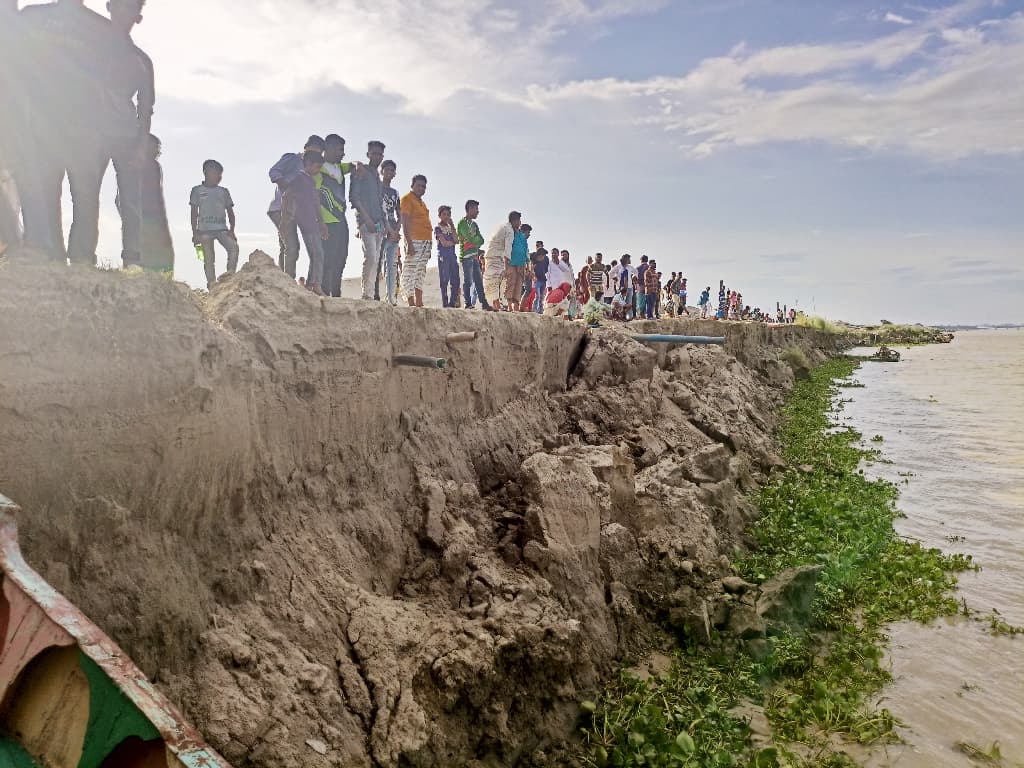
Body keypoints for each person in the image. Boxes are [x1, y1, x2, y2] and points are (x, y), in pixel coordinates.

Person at [20, 0, 120, 262]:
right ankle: (52, 256)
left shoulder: (102, 28)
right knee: (46, 192)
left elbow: (109, 81)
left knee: (85, 196)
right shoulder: (31, 17)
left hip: (85, 127)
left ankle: (82, 259)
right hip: (42, 124)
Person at [270, 135, 326, 277]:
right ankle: (287, 281)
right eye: (315, 150)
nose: (317, 154)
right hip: (281, 208)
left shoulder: (311, 169)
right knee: (291, 246)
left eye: (320, 153)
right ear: (307, 147)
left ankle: (285, 280)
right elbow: (274, 171)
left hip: (297, 211)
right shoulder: (293, 158)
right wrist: (288, 187)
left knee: (289, 247)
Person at [282, 150, 327, 294]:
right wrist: (286, 218)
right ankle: (314, 285)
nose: (318, 170)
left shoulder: (311, 181)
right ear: (308, 164)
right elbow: (287, 196)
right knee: (316, 252)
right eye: (317, 167)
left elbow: (315, 201)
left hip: (311, 220)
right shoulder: (298, 178)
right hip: (303, 220)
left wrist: (321, 222)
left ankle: (313, 284)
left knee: (317, 253)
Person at [190, 159, 239, 289]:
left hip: (222, 229)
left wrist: (232, 230)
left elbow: (230, 212)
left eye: (220, 174)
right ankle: (212, 284)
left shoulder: (224, 191)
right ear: (206, 173)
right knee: (208, 259)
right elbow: (194, 213)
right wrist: (194, 233)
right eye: (215, 173)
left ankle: (230, 276)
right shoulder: (197, 190)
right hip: (204, 231)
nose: (218, 177)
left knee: (233, 248)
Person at [348, 140, 386, 300]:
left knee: (376, 259)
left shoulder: (377, 176)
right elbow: (354, 198)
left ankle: (370, 293)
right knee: (370, 256)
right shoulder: (360, 171)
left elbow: (379, 201)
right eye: (374, 153)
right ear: (368, 154)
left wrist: (384, 224)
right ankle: (366, 293)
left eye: (380, 154)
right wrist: (367, 219)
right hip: (365, 222)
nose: (377, 157)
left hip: (379, 223)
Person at [318, 134, 354, 297]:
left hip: (341, 219)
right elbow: (314, 196)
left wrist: (357, 165)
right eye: (340, 150)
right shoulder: (319, 168)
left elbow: (352, 165)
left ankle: (336, 291)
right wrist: (319, 221)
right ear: (330, 148)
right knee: (328, 258)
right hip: (326, 221)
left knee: (341, 256)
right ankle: (324, 292)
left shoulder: (340, 167)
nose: (343, 154)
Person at [135, 134, 173, 273]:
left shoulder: (156, 167)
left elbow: (158, 193)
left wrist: (162, 218)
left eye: (158, 148)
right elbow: (121, 196)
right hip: (140, 213)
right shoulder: (135, 166)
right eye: (155, 148)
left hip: (155, 215)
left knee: (161, 249)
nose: (157, 152)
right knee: (143, 248)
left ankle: (160, 276)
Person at [400, 174, 433, 308]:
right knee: (409, 271)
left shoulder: (422, 203)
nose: (421, 188)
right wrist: (409, 243)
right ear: (412, 185)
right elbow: (405, 221)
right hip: (414, 240)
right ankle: (410, 301)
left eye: (424, 186)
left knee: (420, 272)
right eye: (419, 185)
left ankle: (419, 302)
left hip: (426, 242)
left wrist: (428, 248)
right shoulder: (407, 199)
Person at [457, 200, 491, 311]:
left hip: (475, 256)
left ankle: (484, 304)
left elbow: (481, 240)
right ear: (470, 209)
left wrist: (474, 240)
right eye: (476, 209)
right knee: (468, 280)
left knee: (478, 281)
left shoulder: (474, 225)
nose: (478, 211)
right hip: (466, 256)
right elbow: (471, 238)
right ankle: (467, 303)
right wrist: (473, 239)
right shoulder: (462, 223)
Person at [483, 211, 519, 311]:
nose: (520, 224)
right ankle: (498, 305)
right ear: (515, 221)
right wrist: (507, 265)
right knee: (498, 280)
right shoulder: (510, 230)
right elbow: (508, 249)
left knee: (493, 281)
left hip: (490, 255)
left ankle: (496, 304)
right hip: (497, 257)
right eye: (519, 221)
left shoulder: (502, 226)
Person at [380, 159, 401, 304]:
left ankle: (391, 296)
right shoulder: (376, 189)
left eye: (392, 170)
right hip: (381, 229)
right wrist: (388, 230)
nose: (389, 172)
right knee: (377, 263)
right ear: (382, 171)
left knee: (392, 265)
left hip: (394, 231)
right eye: (387, 169)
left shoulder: (395, 192)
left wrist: (396, 230)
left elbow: (400, 214)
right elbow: (379, 212)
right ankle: (374, 294)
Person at [435, 205, 460, 308]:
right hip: (443, 256)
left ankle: (452, 302)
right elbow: (444, 243)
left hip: (452, 256)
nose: (446, 217)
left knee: (456, 280)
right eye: (444, 214)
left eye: (448, 215)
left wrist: (453, 226)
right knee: (444, 280)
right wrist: (453, 242)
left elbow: (457, 240)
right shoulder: (438, 228)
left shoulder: (450, 228)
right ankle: (445, 303)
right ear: (439, 215)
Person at [506, 222, 530, 312]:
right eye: (528, 232)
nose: (529, 235)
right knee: (511, 285)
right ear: (523, 232)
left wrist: (528, 269)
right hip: (513, 264)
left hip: (521, 266)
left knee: (518, 287)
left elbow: (527, 257)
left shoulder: (524, 242)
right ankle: (509, 307)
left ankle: (516, 307)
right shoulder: (514, 238)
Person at [531, 247, 549, 314]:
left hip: (543, 279)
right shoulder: (533, 258)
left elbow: (547, 269)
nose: (544, 257)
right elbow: (531, 267)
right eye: (543, 255)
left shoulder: (546, 259)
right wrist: (534, 275)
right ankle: (534, 310)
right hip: (537, 279)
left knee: (542, 296)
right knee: (537, 295)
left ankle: (540, 311)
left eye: (544, 255)